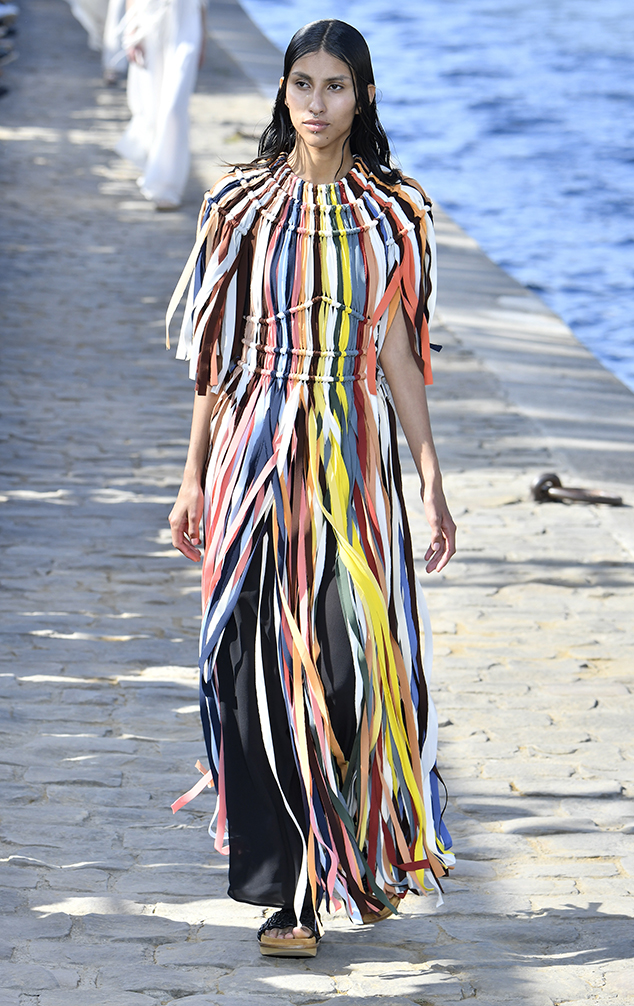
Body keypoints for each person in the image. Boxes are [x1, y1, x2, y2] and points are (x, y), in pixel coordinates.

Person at [167, 18, 457, 958]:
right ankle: (285, 894)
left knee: (351, 668)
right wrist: (192, 482)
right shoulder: (238, 206)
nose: (319, 102)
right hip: (256, 462)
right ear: (283, 92)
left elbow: (401, 352)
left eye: (337, 86)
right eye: (303, 84)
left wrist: (432, 478)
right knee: (256, 675)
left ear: (363, 96)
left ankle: (357, 855)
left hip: (353, 473)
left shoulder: (396, 213)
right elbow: (215, 359)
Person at [116, 0, 206, 209]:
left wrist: (204, 36)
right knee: (152, 105)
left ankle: (167, 185)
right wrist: (131, 28)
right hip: (150, 19)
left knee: (174, 107)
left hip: (187, 21)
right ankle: (153, 162)